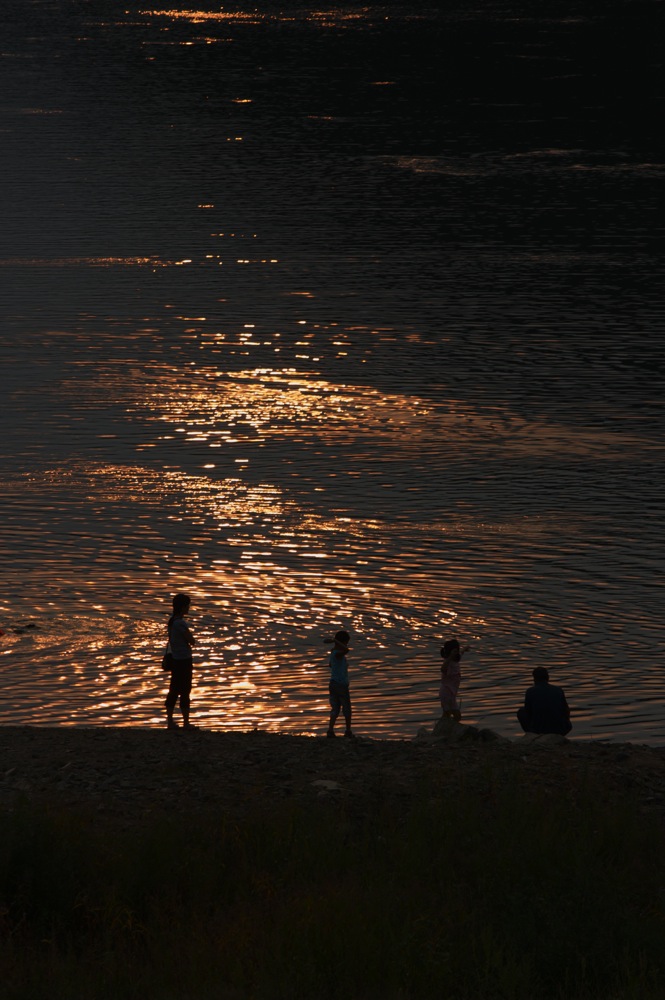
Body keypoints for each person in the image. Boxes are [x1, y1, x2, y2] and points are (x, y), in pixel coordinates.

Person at [165, 593, 197, 730]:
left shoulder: (172, 621)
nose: (189, 608)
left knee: (173, 690)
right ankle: (186, 722)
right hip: (184, 661)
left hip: (175, 659)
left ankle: (170, 721)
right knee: (185, 691)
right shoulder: (181, 623)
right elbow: (192, 641)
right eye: (187, 605)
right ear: (183, 607)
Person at [517, 667, 572, 736]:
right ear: (548, 677)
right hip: (560, 730)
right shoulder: (558, 690)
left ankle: (532, 735)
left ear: (534, 679)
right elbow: (566, 711)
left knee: (521, 712)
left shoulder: (530, 691)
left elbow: (528, 712)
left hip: (538, 730)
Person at [324, 630, 353, 738]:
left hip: (333, 684)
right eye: (345, 642)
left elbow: (330, 665)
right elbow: (346, 650)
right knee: (346, 708)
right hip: (340, 685)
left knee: (335, 708)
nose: (346, 645)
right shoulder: (338, 654)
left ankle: (330, 730)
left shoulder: (334, 653)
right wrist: (336, 641)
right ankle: (348, 731)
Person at [439, 638, 469, 722]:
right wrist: (450, 657)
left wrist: (464, 649)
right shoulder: (448, 663)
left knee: (447, 714)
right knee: (456, 716)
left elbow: (460, 654)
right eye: (454, 651)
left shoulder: (455, 661)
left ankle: (443, 729)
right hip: (447, 693)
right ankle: (449, 730)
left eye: (457, 651)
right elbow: (443, 669)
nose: (456, 653)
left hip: (450, 693)